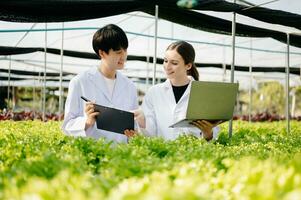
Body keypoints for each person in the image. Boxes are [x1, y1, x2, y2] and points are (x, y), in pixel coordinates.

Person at [62, 24, 138, 143]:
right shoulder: (80, 82)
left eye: (125, 50)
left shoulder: (130, 86)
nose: (123, 56)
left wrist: (133, 132)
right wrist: (87, 122)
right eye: (118, 51)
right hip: (92, 153)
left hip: (122, 156)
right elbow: (67, 126)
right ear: (102, 53)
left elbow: (135, 124)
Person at [134, 41, 220, 141]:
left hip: (194, 155)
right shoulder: (154, 92)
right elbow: (150, 134)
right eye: (165, 61)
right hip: (163, 155)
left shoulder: (203, 94)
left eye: (174, 63)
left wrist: (208, 133)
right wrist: (142, 121)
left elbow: (214, 134)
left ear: (188, 66)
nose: (167, 66)